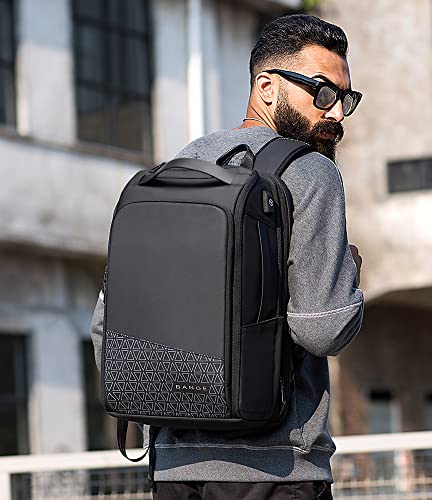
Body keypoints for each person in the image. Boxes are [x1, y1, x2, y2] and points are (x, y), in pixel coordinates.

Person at [90, 13, 364, 500]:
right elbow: (323, 329)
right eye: (322, 93)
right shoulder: (311, 172)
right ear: (267, 87)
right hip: (277, 472)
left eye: (345, 98)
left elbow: (105, 331)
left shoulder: (176, 167)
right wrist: (350, 273)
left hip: (175, 471)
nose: (336, 113)